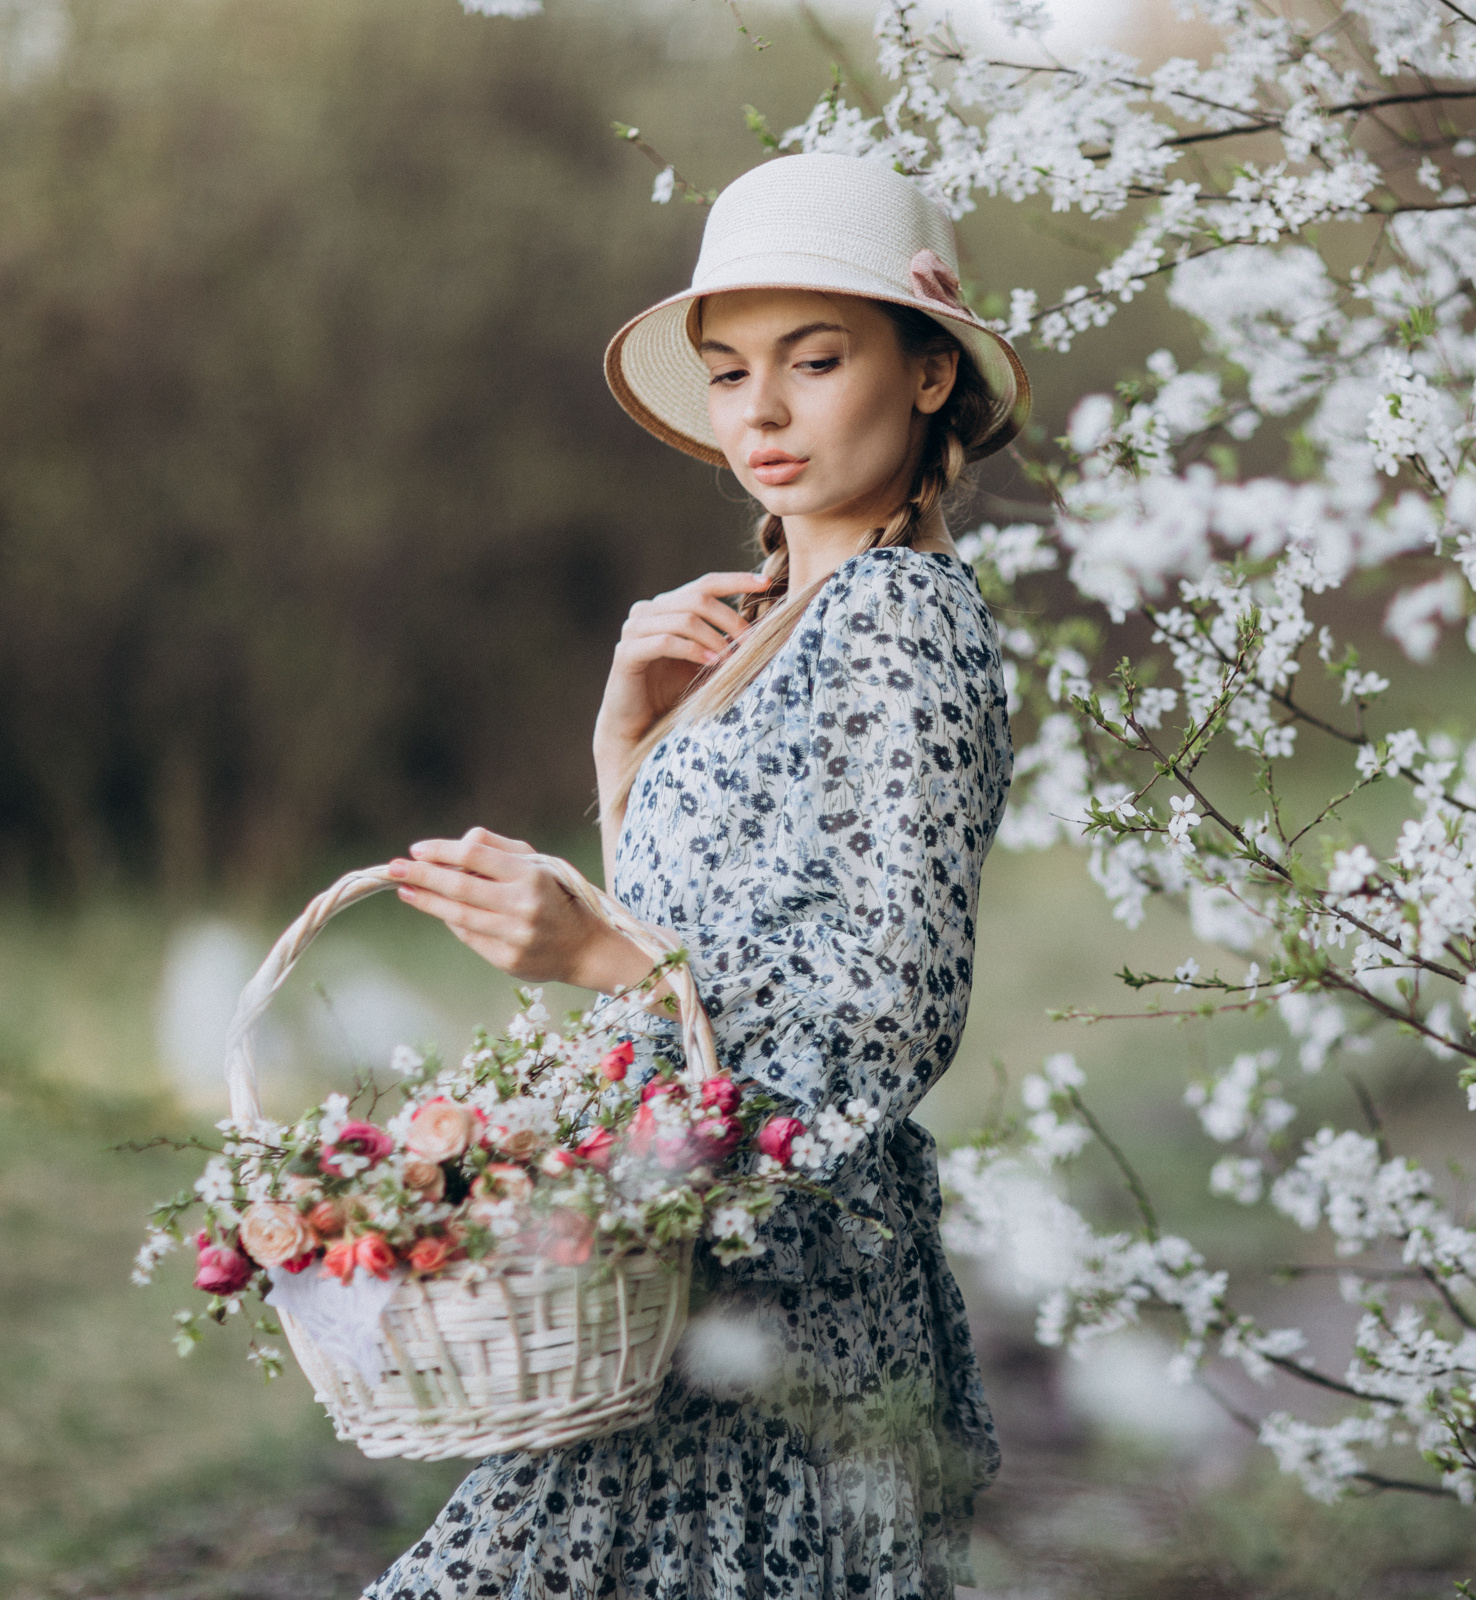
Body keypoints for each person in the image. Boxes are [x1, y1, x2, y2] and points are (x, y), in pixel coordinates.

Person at [362, 151, 1031, 1600]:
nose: (762, 412)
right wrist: (628, 749)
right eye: (730, 373)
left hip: (787, 1299)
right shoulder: (784, 621)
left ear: (929, 373)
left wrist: (604, 956)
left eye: (815, 360)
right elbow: (699, 949)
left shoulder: (899, 620)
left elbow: (893, 1007)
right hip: (689, 1258)